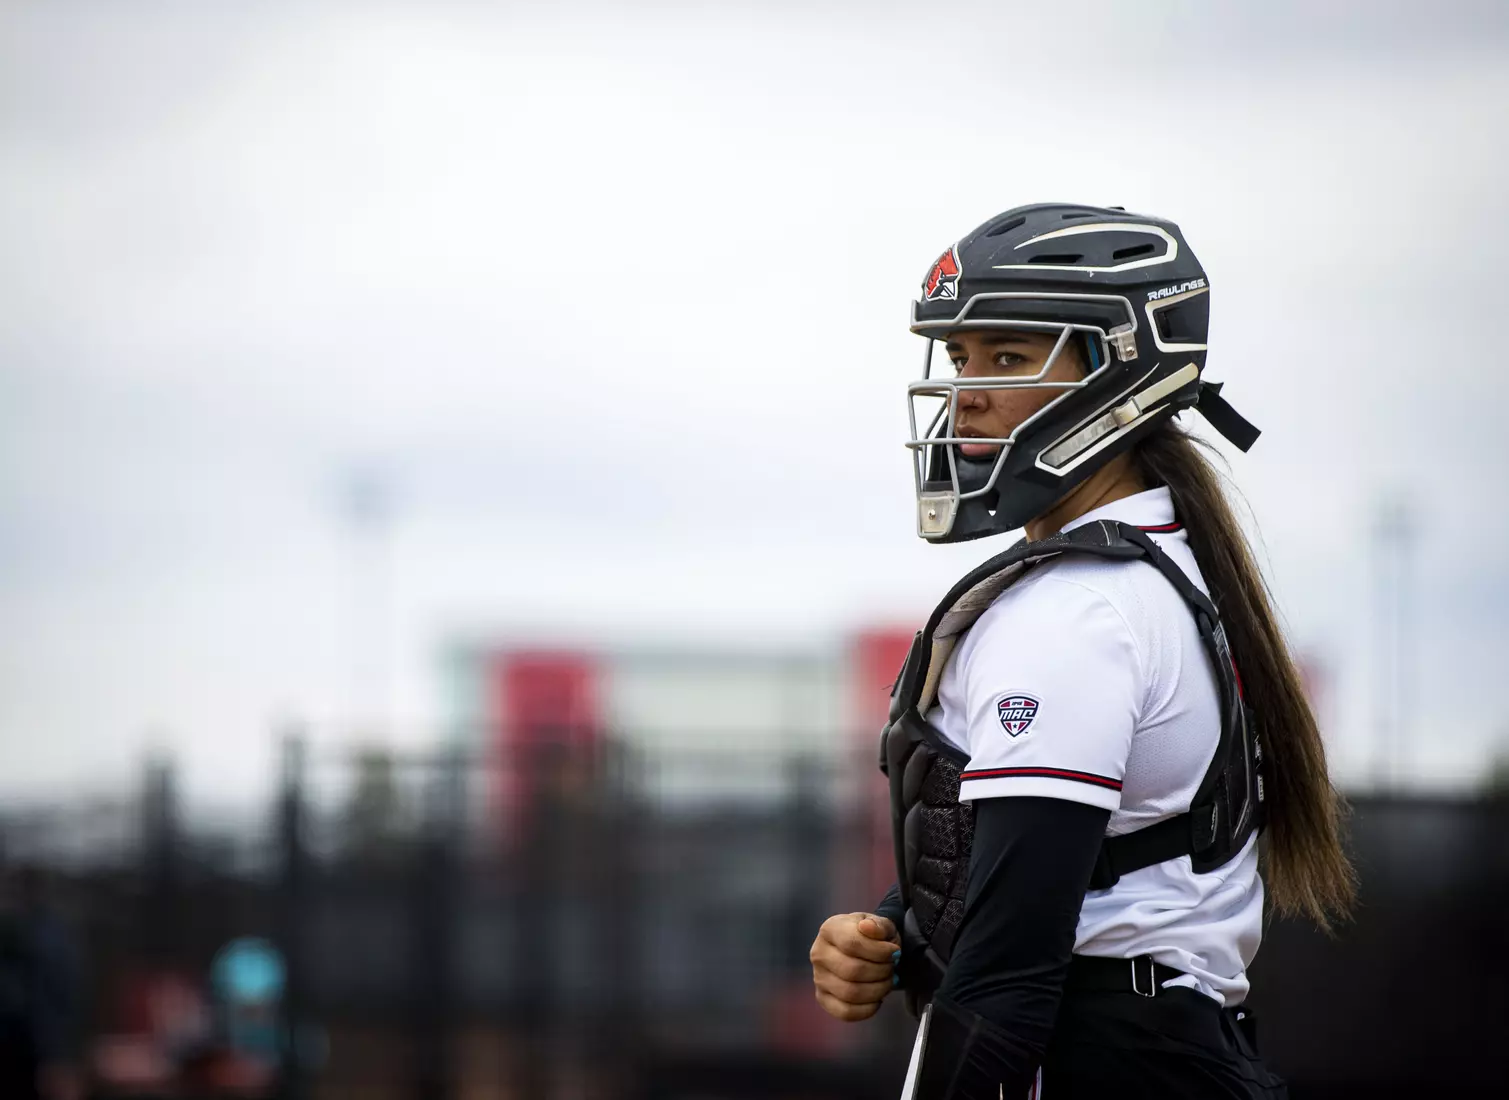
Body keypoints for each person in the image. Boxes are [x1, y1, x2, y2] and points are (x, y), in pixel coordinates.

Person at [808, 203, 1356, 1099]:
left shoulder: (1077, 608)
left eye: (1008, 357)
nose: (966, 392)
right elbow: (1080, 865)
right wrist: (893, 930)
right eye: (959, 358)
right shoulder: (1160, 567)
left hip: (1101, 1054)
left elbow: (1007, 978)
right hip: (1162, 1050)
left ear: (1116, 367)